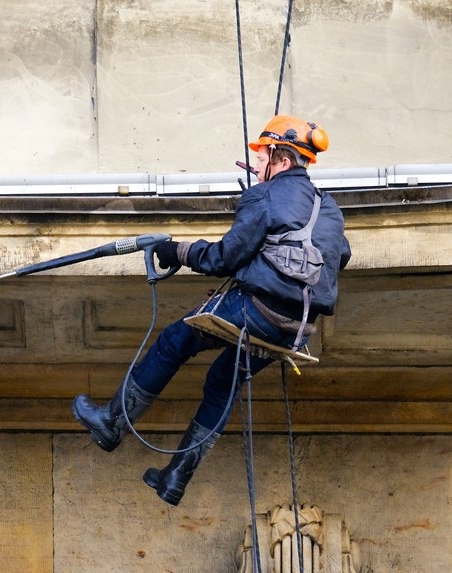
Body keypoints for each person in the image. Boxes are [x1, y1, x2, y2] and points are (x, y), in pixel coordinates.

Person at [72, 115, 352, 506]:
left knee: (175, 341)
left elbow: (224, 256)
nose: (255, 167)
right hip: (296, 330)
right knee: (224, 381)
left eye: (261, 158)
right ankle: (176, 478)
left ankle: (112, 424)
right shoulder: (330, 209)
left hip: (256, 311)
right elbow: (341, 255)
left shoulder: (266, 196)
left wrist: (178, 251)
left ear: (281, 159)